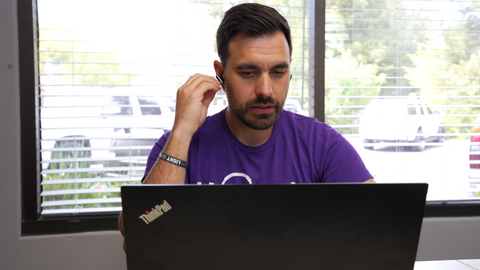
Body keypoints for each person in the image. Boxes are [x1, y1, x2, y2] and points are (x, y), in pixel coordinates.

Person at [119, 2, 374, 251]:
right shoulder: (178, 146)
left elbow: (379, 224)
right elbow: (142, 228)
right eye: (248, 72)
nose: (266, 90)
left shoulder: (320, 144)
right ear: (221, 73)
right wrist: (182, 134)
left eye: (278, 71)